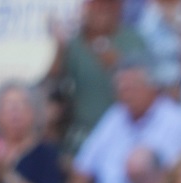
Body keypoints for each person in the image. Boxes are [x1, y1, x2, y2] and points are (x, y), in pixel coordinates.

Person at [69, 56, 181, 183]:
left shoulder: (176, 121)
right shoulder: (114, 116)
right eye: (121, 89)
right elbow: (83, 169)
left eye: (131, 88)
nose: (126, 94)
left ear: (152, 86)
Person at [45, 0, 149, 154]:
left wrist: (102, 48)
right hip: (83, 132)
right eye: (96, 5)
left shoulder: (133, 39)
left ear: (119, 8)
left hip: (124, 133)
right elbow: (52, 80)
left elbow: (143, 83)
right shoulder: (75, 42)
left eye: (108, 5)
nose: (102, 10)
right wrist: (60, 47)